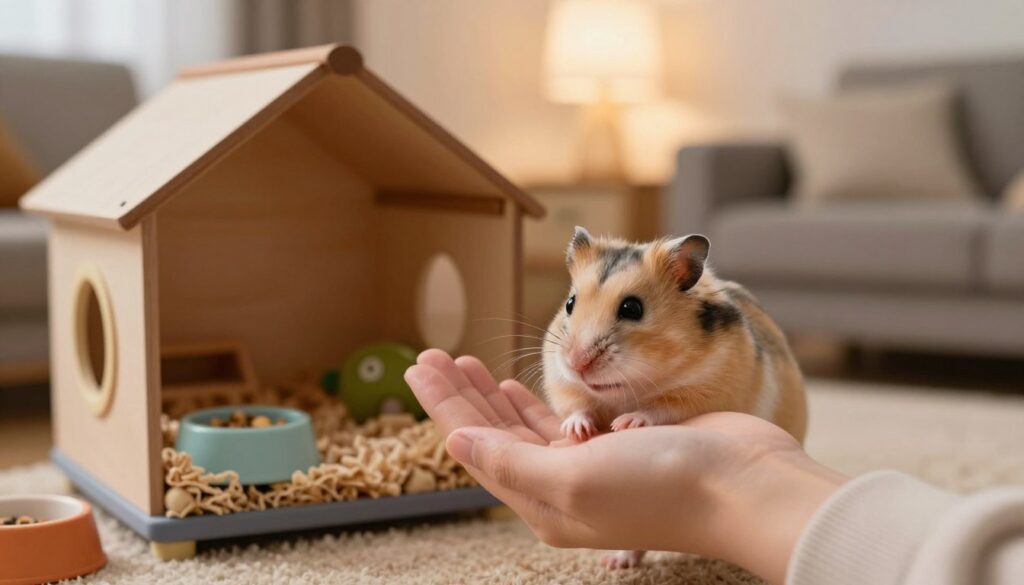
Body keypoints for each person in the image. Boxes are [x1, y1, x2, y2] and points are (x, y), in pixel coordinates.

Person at [404, 349, 1024, 585]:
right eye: (572, 308)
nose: (581, 353)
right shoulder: (574, 350)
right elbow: (572, 382)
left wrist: (715, 470)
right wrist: (575, 414)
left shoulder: (717, 354)